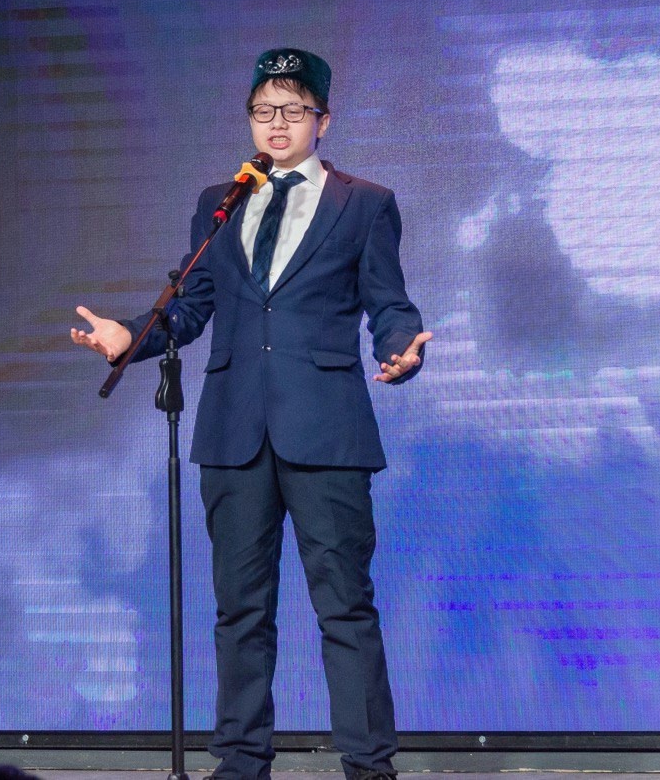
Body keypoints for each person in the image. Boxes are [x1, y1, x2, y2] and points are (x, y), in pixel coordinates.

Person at [71, 48, 430, 780]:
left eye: (293, 109)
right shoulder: (221, 200)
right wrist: (130, 337)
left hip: (327, 430)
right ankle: (239, 762)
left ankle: (369, 766)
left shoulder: (364, 203)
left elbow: (389, 302)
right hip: (234, 431)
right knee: (239, 609)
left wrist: (402, 349)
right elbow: (192, 306)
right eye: (264, 110)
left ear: (324, 120)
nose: (277, 123)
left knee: (345, 607)